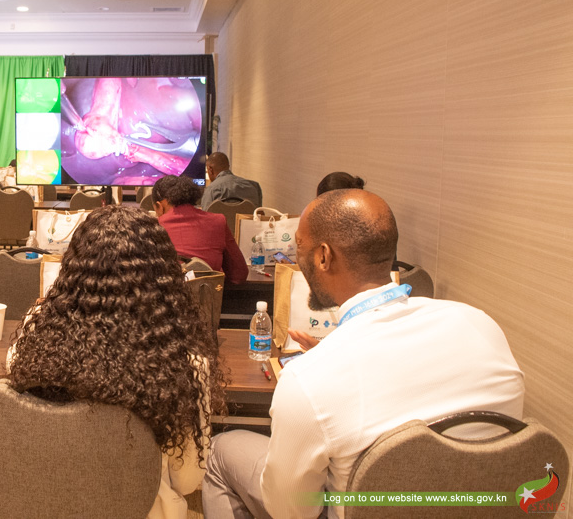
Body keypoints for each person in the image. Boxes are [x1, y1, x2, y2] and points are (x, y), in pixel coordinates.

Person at [201, 190, 525, 519]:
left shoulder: (309, 380)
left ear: (323, 257)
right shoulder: (480, 326)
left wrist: (320, 367)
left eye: (299, 245)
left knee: (221, 450)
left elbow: (292, 511)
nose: (295, 257)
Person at [7, 206, 225, 519]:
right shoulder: (186, 366)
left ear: (72, 271)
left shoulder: (34, 341)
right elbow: (188, 480)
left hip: (49, 505)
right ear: (164, 278)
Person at [153, 176, 248, 285]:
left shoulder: (154, 226)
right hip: (208, 294)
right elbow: (239, 275)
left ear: (159, 206)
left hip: (168, 294)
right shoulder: (218, 221)